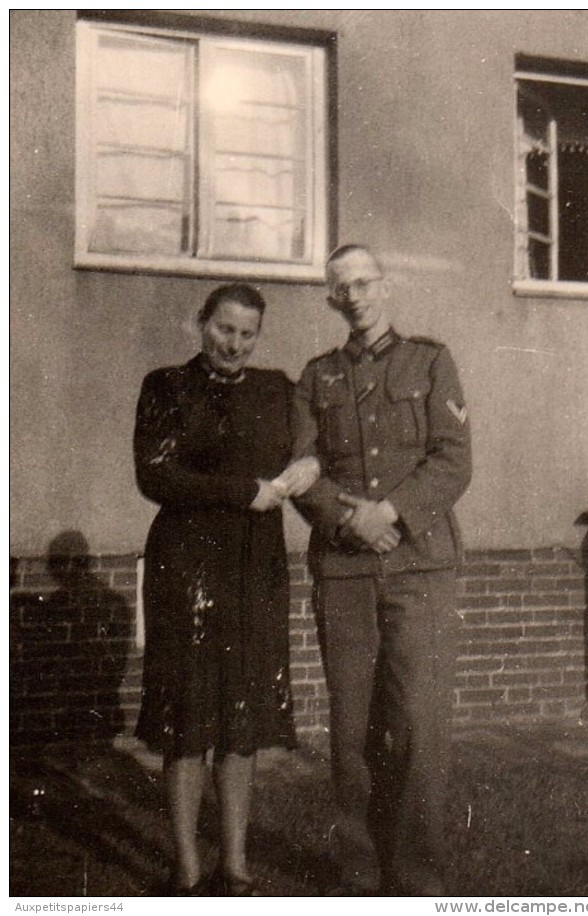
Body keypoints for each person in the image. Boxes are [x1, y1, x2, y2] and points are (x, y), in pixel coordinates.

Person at [292, 244, 472, 896]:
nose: (357, 296)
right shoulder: (315, 378)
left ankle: (419, 880)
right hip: (344, 572)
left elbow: (453, 461)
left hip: (421, 567)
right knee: (351, 731)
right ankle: (359, 877)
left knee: (420, 727)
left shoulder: (430, 360)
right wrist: (351, 519)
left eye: (366, 282)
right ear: (332, 299)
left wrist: (390, 510)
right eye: (344, 288)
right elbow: (303, 470)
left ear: (385, 286)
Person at [133, 283, 319, 896]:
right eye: (224, 330)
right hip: (186, 564)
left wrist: (310, 466)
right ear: (201, 324)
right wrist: (244, 491)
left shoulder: (277, 390)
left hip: (253, 566)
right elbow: (155, 473)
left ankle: (234, 867)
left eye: (247, 334)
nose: (234, 344)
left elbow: (318, 446)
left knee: (242, 715)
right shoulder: (166, 385)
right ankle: (187, 867)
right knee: (187, 717)